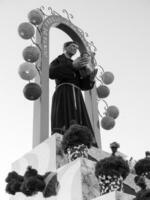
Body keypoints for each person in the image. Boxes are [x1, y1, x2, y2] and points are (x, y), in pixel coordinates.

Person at [49, 41, 97, 146]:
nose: (75, 49)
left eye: (76, 47)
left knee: (80, 118)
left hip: (77, 94)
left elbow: (83, 85)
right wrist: (72, 66)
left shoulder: (79, 64)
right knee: (64, 118)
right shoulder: (58, 60)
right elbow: (52, 73)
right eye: (72, 46)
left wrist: (90, 79)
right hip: (63, 92)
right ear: (65, 48)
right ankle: (66, 139)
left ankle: (83, 141)